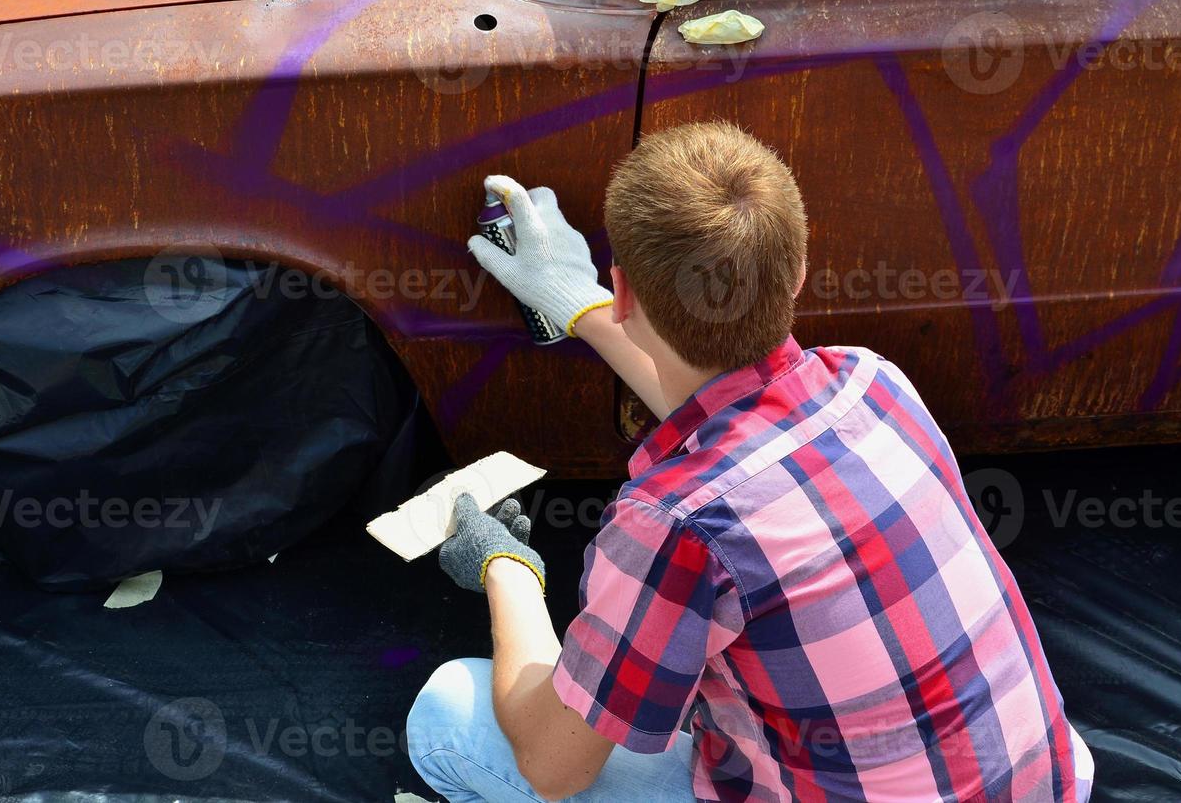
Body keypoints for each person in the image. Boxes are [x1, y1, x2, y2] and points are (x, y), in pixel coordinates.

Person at [406, 122, 1094, 802]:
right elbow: (729, 413)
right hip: (1046, 786)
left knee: (447, 715)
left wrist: (507, 569)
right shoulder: (872, 381)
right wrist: (572, 301)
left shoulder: (675, 526)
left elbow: (553, 767)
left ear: (625, 290)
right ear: (796, 271)